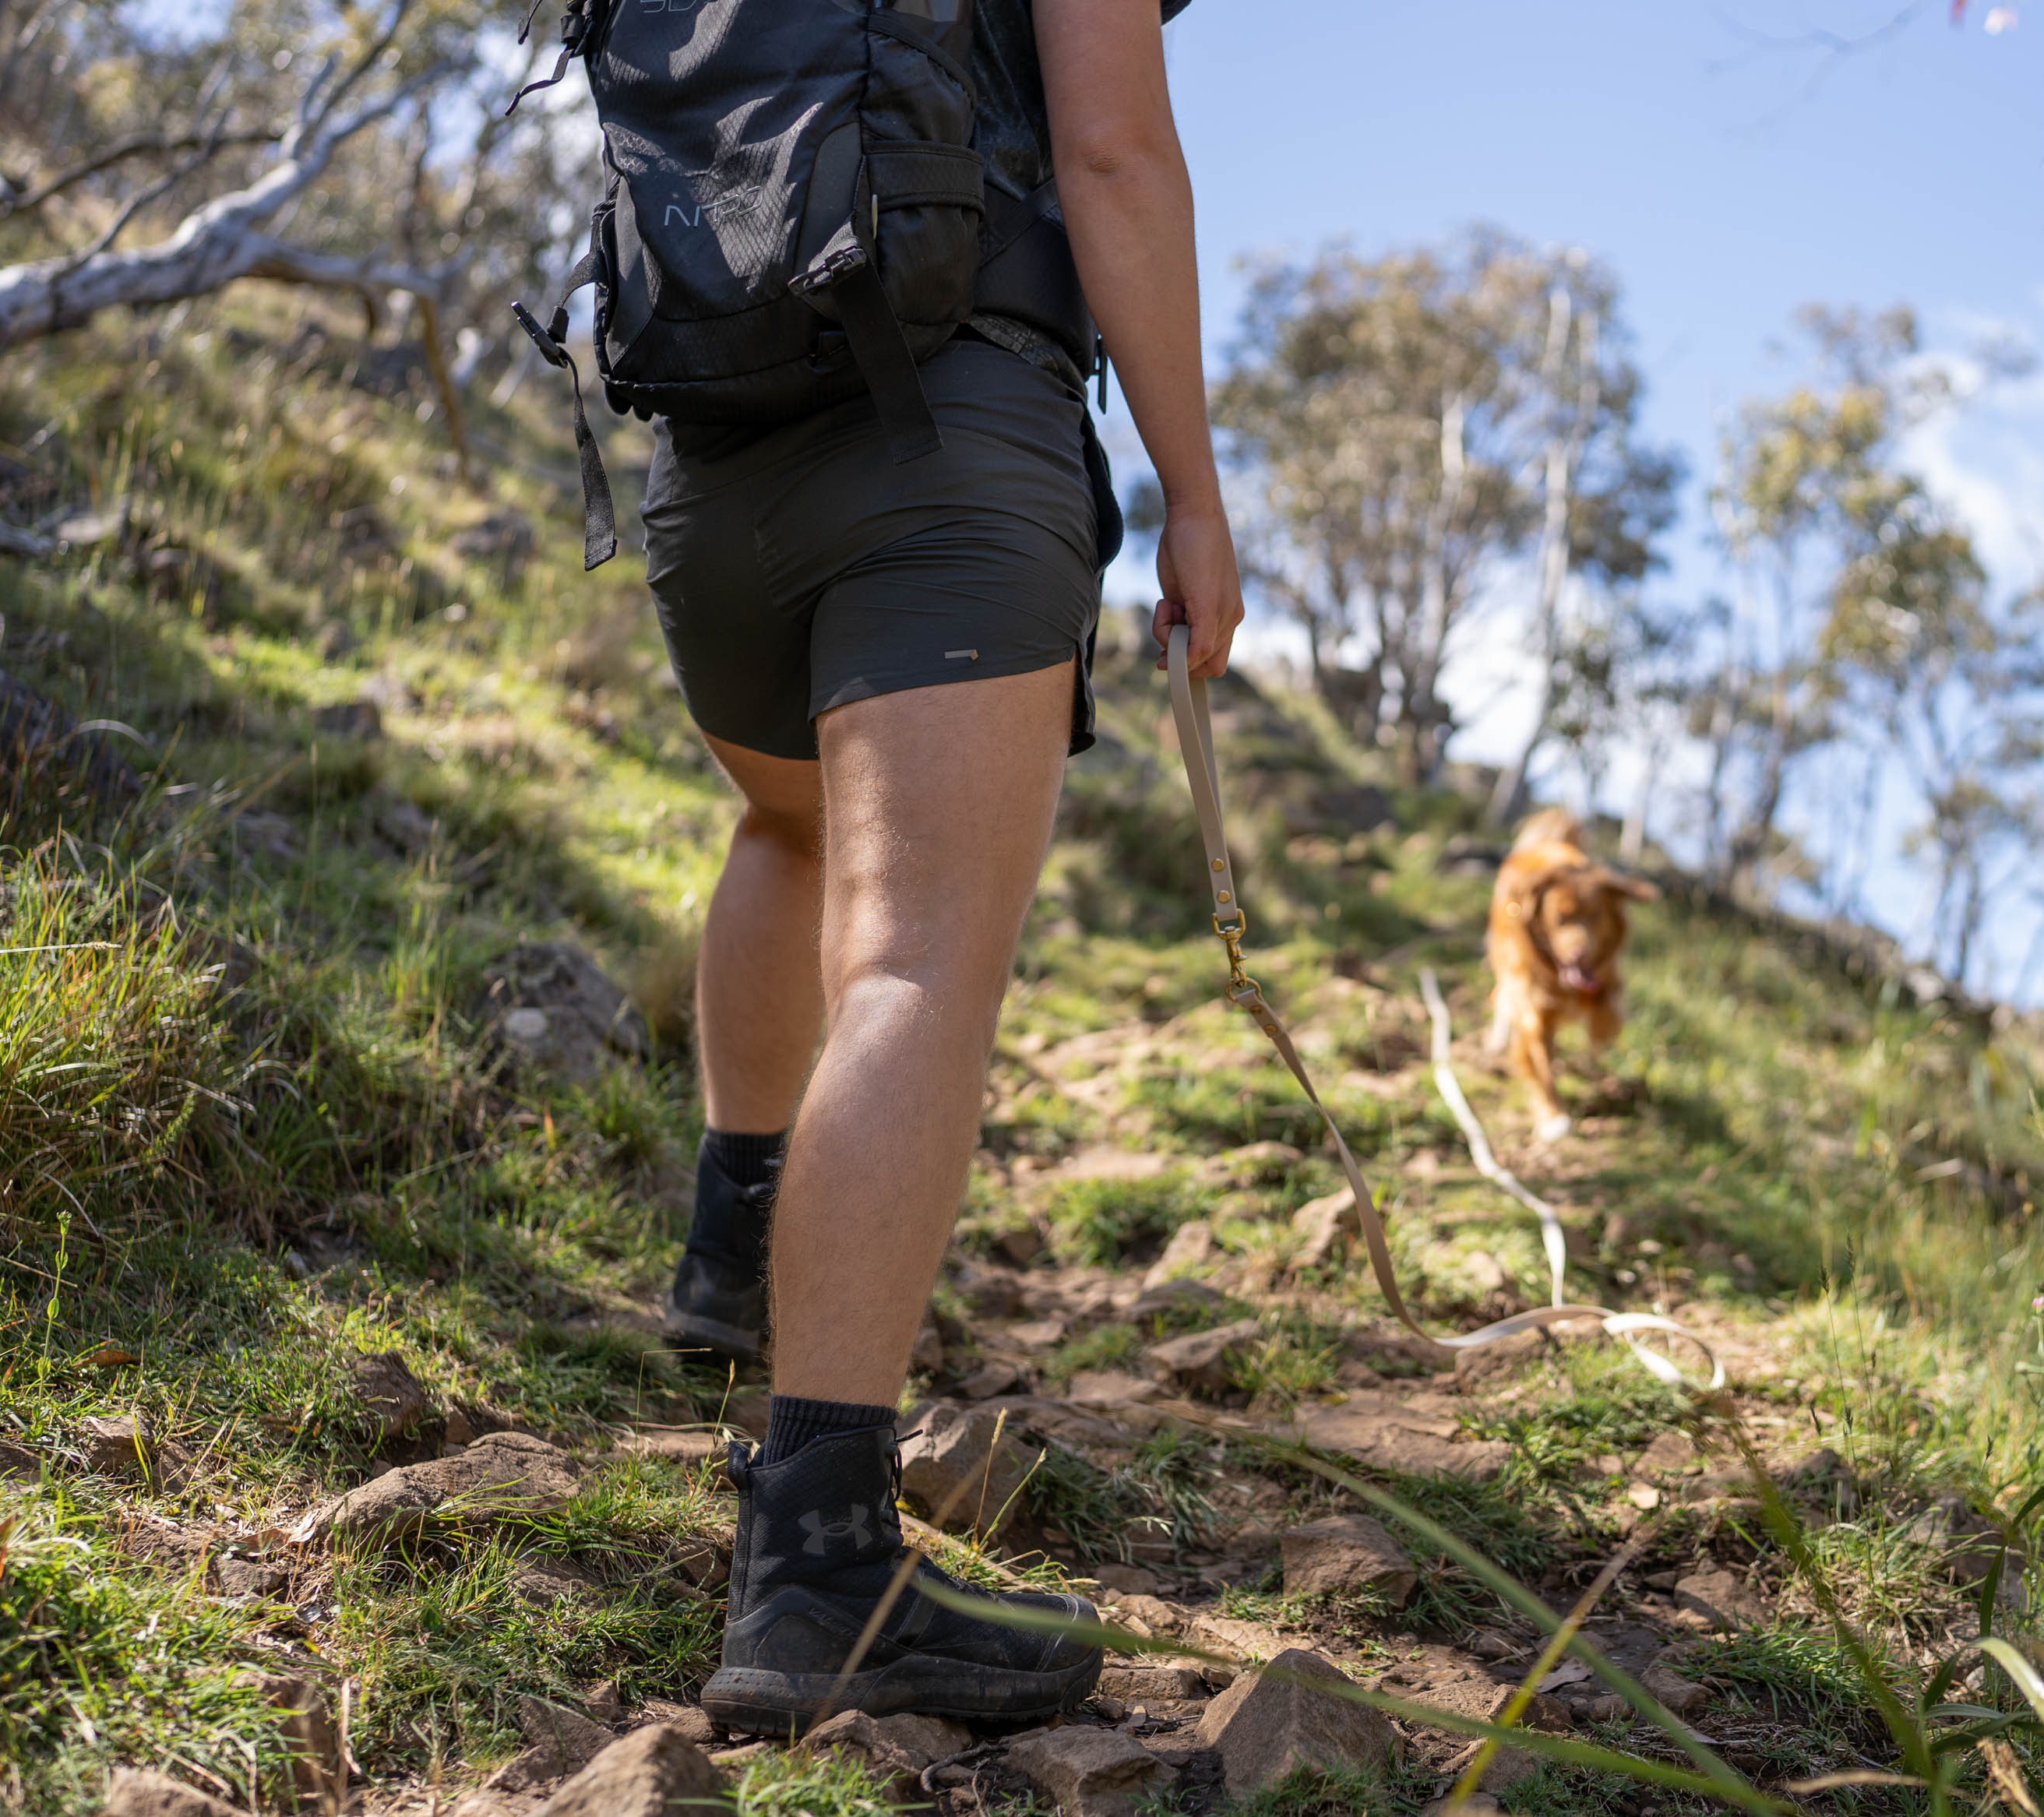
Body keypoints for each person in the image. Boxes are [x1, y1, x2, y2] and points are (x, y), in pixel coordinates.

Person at [636, 0, 1243, 1733]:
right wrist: (1191, 490)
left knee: (790, 819)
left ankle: (737, 1249)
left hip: (713, 440)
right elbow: (1112, 151)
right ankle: (822, 1563)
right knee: (910, 961)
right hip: (949, 430)